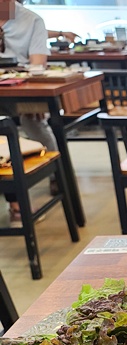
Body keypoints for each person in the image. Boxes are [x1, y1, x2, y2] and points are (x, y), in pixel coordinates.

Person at [0, 0, 58, 226]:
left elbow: (37, 64)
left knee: (34, 121)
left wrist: (34, 95)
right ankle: (15, 202)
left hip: (22, 89)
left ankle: (55, 173)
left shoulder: (31, 20)